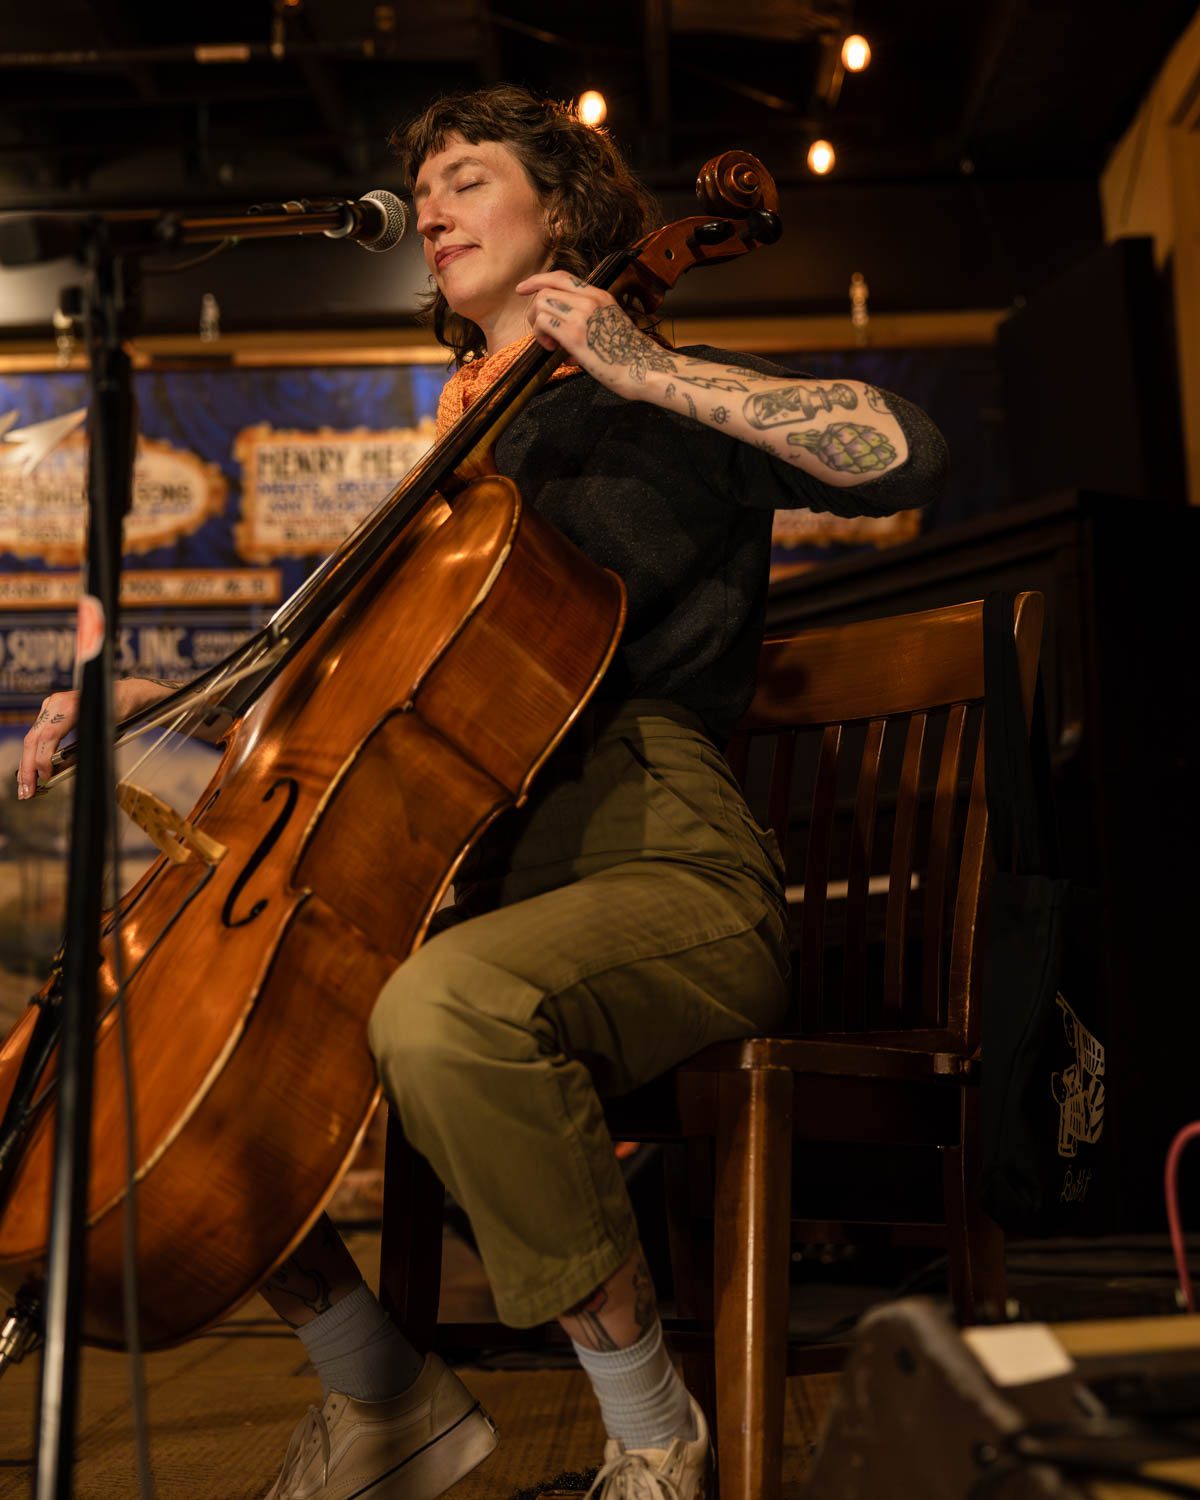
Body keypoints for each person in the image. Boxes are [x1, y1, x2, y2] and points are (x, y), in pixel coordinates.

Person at [17, 86, 948, 1500]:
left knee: (444, 1014)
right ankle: (382, 1393)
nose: (432, 208)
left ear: (565, 214)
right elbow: (338, 728)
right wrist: (144, 708)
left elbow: (901, 450)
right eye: (424, 188)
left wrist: (640, 364)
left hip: (665, 869)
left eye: (466, 178)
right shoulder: (464, 466)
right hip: (480, 877)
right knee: (141, 1057)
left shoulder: (648, 406)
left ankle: (654, 1437)